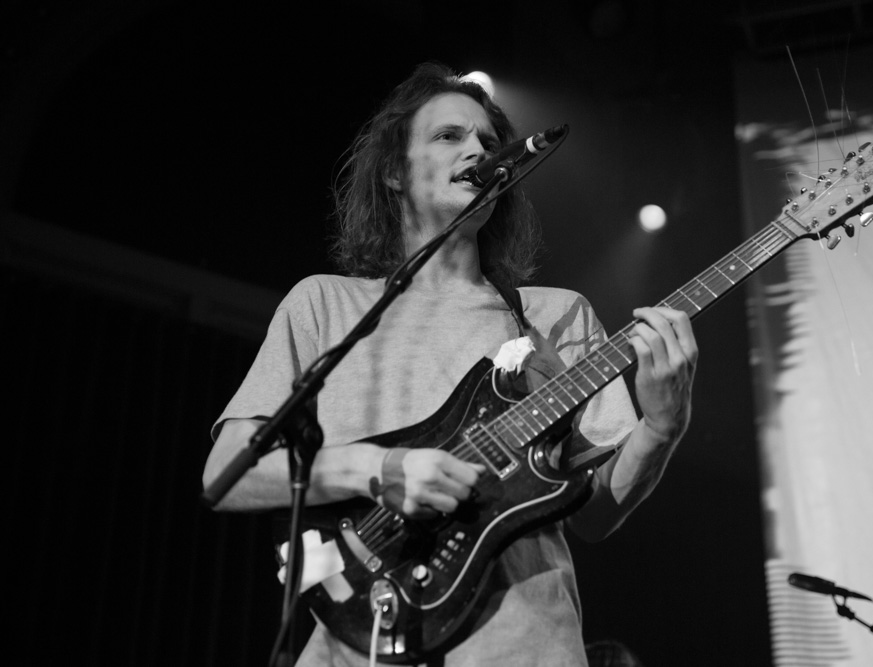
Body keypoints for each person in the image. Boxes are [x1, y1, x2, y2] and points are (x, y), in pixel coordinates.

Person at [203, 62, 697, 667]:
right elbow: (226, 473)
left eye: (490, 142)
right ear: (392, 171)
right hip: (356, 643)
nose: (480, 150)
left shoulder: (558, 317)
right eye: (449, 136)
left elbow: (593, 516)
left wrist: (661, 427)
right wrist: (379, 468)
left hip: (525, 647)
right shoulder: (325, 304)